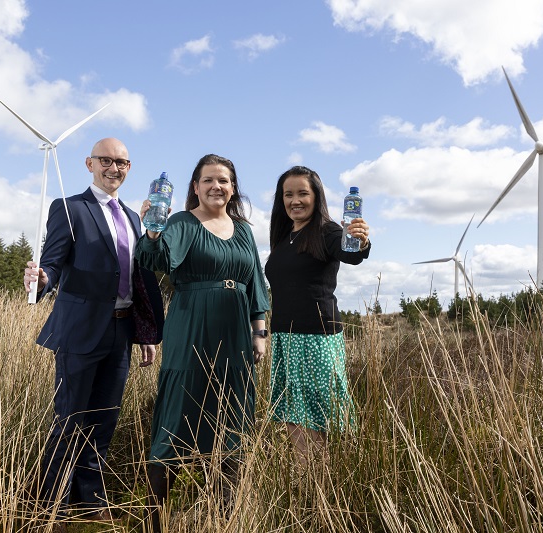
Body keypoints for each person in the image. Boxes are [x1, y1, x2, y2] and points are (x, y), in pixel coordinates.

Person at [23, 138, 165, 530]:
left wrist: (146, 333)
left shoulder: (134, 218)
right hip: (79, 332)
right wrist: (39, 279)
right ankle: (51, 505)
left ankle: (92, 501)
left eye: (122, 162)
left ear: (129, 168)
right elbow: (51, 264)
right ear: (89, 163)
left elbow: (137, 279)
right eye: (106, 160)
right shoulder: (69, 209)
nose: (114, 168)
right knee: (69, 420)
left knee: (104, 422)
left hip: (120, 333)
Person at [135, 154, 269, 527]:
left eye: (224, 181)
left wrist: (260, 332)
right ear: (195, 187)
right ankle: (154, 519)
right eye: (208, 180)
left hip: (237, 332)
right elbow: (156, 258)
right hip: (191, 326)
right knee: (180, 409)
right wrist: (152, 230)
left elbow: (255, 282)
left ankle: (224, 515)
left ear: (232, 187)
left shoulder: (243, 229)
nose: (216, 187)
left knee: (233, 413)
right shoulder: (181, 222)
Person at [264, 166, 370, 466]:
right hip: (285, 338)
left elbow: (351, 253)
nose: (295, 200)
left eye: (302, 193)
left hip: (316, 339)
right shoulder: (285, 238)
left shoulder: (327, 230)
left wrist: (361, 240)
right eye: (288, 194)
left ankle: (323, 487)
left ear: (316, 196)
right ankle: (307, 486)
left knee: (317, 419)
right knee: (292, 419)